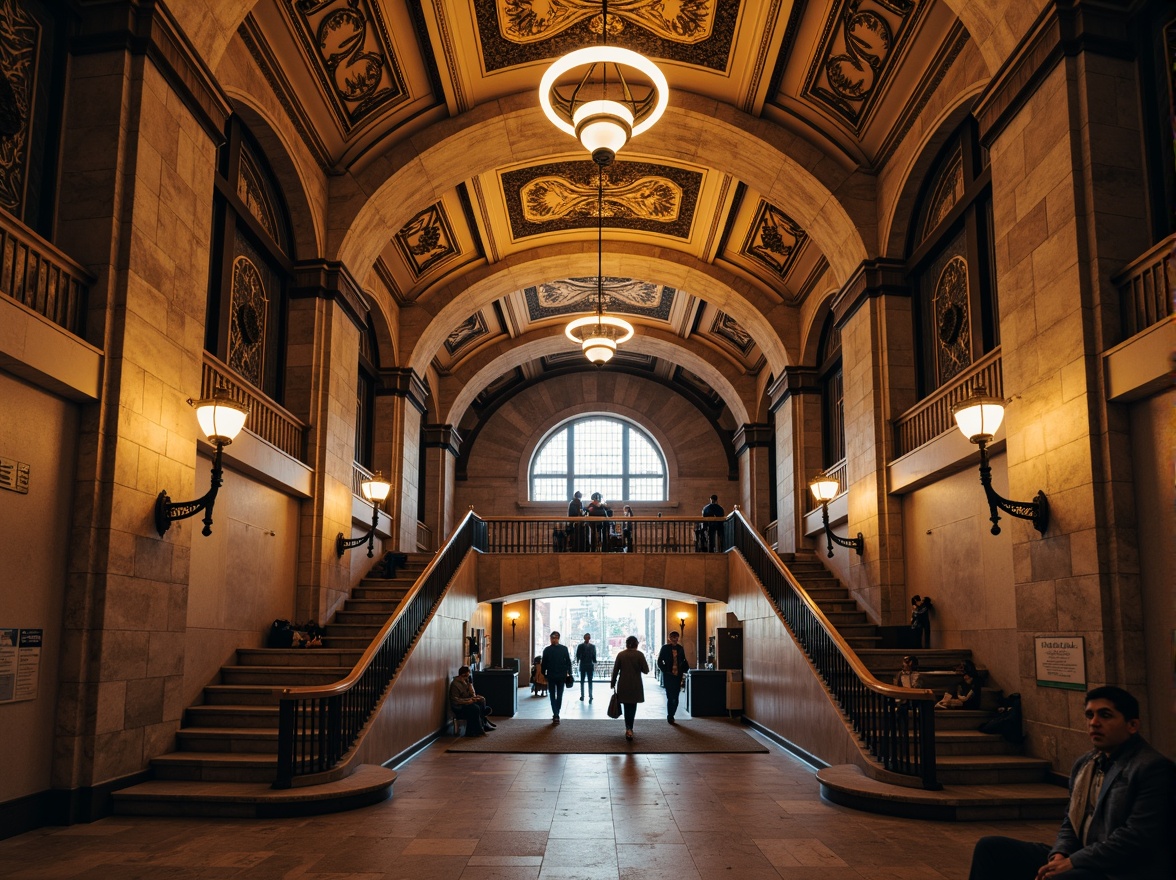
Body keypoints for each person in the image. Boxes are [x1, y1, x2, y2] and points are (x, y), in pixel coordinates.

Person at [968, 686, 1175, 880]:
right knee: (991, 848)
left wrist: (1073, 862)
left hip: (1121, 869)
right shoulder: (1085, 763)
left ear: (1132, 725)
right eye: (1089, 715)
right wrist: (1059, 854)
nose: (1094, 722)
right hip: (1081, 856)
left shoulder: (1151, 768)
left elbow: (1135, 838)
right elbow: (1071, 820)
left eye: (1105, 715)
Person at [611, 635, 649, 741]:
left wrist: (613, 683)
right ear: (636, 644)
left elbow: (615, 671)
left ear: (626, 644)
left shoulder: (621, 655)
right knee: (633, 706)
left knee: (626, 706)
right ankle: (630, 728)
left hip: (623, 684)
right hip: (635, 684)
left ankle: (628, 727)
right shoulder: (640, 655)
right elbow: (646, 670)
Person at [448, 666, 495, 737]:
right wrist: (468, 701)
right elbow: (455, 700)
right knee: (475, 708)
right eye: (466, 676)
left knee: (481, 702)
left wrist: (471, 688)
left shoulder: (467, 682)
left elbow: (472, 694)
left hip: (467, 702)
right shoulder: (455, 684)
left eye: (468, 676)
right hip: (459, 706)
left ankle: (483, 724)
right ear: (462, 675)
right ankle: (479, 728)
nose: (467, 677)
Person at [656, 630, 690, 724]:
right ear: (669, 638)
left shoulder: (680, 648)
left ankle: (672, 714)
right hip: (668, 675)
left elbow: (683, 660)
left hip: (677, 675)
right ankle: (670, 715)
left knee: (675, 696)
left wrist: (684, 670)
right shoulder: (665, 648)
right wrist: (665, 670)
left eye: (676, 637)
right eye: (672, 637)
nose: (674, 639)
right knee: (670, 696)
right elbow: (660, 661)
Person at [540, 630, 572, 723]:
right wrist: (569, 673)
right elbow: (568, 662)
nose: (553, 640)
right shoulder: (564, 649)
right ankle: (556, 713)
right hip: (561, 675)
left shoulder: (547, 650)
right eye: (553, 638)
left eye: (554, 638)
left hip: (551, 675)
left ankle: (556, 713)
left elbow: (544, 664)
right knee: (560, 694)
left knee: (552, 695)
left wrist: (544, 673)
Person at [575, 633, 596, 701]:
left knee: (590, 681)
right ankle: (582, 695)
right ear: (584, 638)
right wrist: (578, 660)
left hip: (589, 665)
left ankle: (590, 695)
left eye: (588, 637)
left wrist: (594, 661)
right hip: (584, 665)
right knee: (582, 681)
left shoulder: (592, 646)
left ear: (589, 638)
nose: (587, 639)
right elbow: (577, 655)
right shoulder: (580, 646)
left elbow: (594, 656)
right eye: (586, 637)